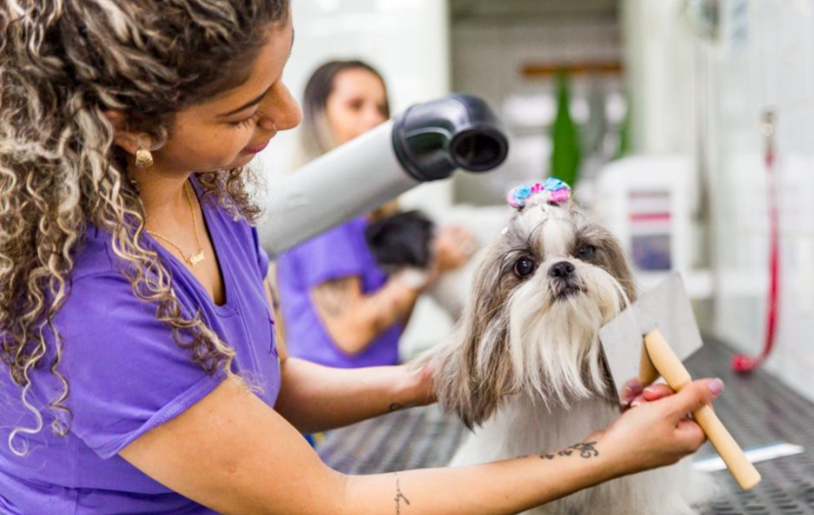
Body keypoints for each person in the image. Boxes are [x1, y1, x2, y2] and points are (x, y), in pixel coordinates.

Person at [0, 2, 724, 514]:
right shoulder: (93, 305)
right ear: (133, 125)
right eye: (245, 108)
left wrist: (426, 377)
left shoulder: (208, 198)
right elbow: (333, 502)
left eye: (281, 78)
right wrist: (608, 453)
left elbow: (260, 385)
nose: (290, 115)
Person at [275, 60, 474, 369]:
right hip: (335, 393)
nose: (374, 119)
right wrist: (428, 265)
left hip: (374, 381)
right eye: (355, 106)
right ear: (319, 117)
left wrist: (424, 257)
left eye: (381, 108)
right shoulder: (323, 213)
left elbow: (390, 332)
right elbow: (351, 335)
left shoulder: (365, 213)